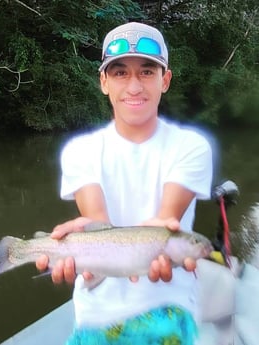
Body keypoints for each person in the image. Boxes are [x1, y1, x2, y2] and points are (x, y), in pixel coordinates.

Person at [36, 22, 213, 344]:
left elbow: (165, 219)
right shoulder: (80, 150)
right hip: (95, 312)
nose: (134, 86)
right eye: (120, 73)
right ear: (103, 82)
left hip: (169, 308)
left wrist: (160, 233)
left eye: (147, 72)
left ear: (165, 80)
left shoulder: (192, 145)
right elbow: (96, 224)